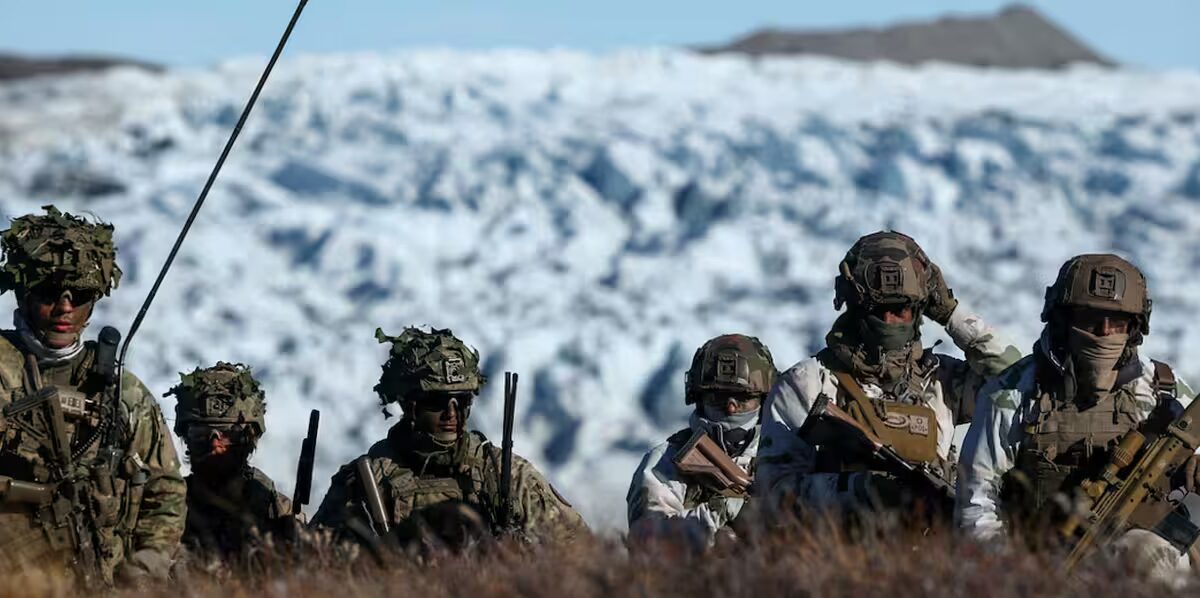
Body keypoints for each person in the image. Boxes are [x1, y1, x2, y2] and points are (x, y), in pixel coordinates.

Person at [958, 254, 1198, 579]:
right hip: (1043, 563)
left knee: (1151, 555)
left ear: (1134, 328)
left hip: (1143, 557)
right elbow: (977, 503)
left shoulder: (1163, 391)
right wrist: (1011, 575)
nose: (1104, 333)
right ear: (1062, 321)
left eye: (1118, 322)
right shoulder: (1013, 394)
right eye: (1090, 320)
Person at [757, 231, 1020, 523]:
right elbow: (773, 496)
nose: (888, 321)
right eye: (876, 308)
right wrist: (859, 491)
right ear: (854, 306)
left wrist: (951, 314)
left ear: (920, 310)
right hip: (837, 547)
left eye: (900, 309)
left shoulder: (944, 382)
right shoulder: (806, 383)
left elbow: (1017, 381)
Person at [0, 206, 185, 584]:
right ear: (24, 294)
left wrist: (145, 565)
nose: (65, 308)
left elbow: (165, 491)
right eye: (50, 293)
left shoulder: (123, 394)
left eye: (80, 295)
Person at [312, 327, 587, 547]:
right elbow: (319, 563)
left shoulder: (505, 474)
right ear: (409, 404)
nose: (452, 413)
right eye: (437, 402)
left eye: (462, 400)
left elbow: (581, 550)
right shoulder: (367, 480)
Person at [627, 334, 776, 544]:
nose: (731, 407)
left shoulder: (787, 453)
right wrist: (719, 511)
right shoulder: (665, 461)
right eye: (718, 397)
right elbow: (648, 543)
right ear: (698, 398)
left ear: (764, 399)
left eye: (743, 398)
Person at [168, 362, 298, 563]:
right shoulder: (165, 507)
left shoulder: (274, 509)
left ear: (248, 439)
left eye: (228, 434)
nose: (215, 444)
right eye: (201, 434)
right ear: (187, 438)